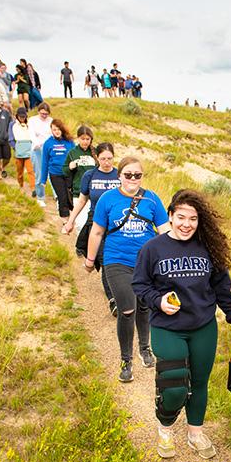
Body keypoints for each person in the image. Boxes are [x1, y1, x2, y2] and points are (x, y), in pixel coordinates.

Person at [132, 189, 231, 459]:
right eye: (181, 217)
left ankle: (195, 433)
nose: (186, 224)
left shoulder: (208, 248)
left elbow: (221, 288)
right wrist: (158, 301)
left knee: (200, 382)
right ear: (170, 216)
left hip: (203, 327)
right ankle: (166, 427)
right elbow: (140, 284)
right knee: (175, 384)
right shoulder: (153, 249)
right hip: (167, 327)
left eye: (193, 219)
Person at [84, 157, 170, 383]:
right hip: (116, 261)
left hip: (146, 263)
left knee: (145, 306)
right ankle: (126, 360)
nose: (133, 178)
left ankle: (144, 348)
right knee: (128, 309)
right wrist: (90, 260)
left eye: (137, 175)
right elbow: (96, 232)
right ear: (119, 176)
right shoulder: (108, 199)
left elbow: (165, 230)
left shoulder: (151, 199)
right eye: (128, 174)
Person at [63, 142, 120, 316]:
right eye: (103, 158)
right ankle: (113, 300)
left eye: (109, 158)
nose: (106, 162)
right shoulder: (90, 175)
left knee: (118, 260)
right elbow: (82, 200)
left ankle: (123, 294)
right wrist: (70, 221)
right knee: (105, 261)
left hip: (118, 225)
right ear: (97, 157)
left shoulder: (120, 175)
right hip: (96, 224)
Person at [62, 125, 97, 228]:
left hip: (95, 193)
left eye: (87, 139)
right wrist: (70, 167)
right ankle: (81, 244)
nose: (85, 141)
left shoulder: (96, 152)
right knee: (80, 224)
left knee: (93, 224)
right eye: (82, 139)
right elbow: (64, 171)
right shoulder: (73, 153)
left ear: (91, 139)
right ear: (78, 138)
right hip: (78, 192)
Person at [39, 119, 74, 213]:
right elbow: (45, 162)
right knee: (62, 199)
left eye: (58, 129)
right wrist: (43, 179)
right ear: (51, 130)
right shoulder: (48, 143)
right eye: (54, 129)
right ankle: (65, 223)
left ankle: (74, 220)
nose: (57, 131)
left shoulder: (69, 142)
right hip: (55, 175)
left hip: (69, 174)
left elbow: (75, 157)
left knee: (71, 199)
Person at [8, 107, 35, 194]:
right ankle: (21, 185)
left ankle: (33, 188)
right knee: (20, 171)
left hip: (28, 149)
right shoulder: (12, 125)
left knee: (30, 170)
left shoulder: (29, 125)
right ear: (17, 116)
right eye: (20, 117)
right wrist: (15, 147)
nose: (22, 118)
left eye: (24, 117)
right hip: (19, 150)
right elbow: (11, 138)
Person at [29, 102, 52, 203]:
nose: (44, 116)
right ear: (38, 112)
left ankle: (57, 196)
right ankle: (40, 197)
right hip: (37, 149)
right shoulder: (32, 120)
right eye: (42, 113)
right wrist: (37, 143)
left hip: (48, 149)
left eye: (46, 114)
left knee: (53, 174)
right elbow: (32, 134)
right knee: (39, 174)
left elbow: (52, 135)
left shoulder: (51, 121)